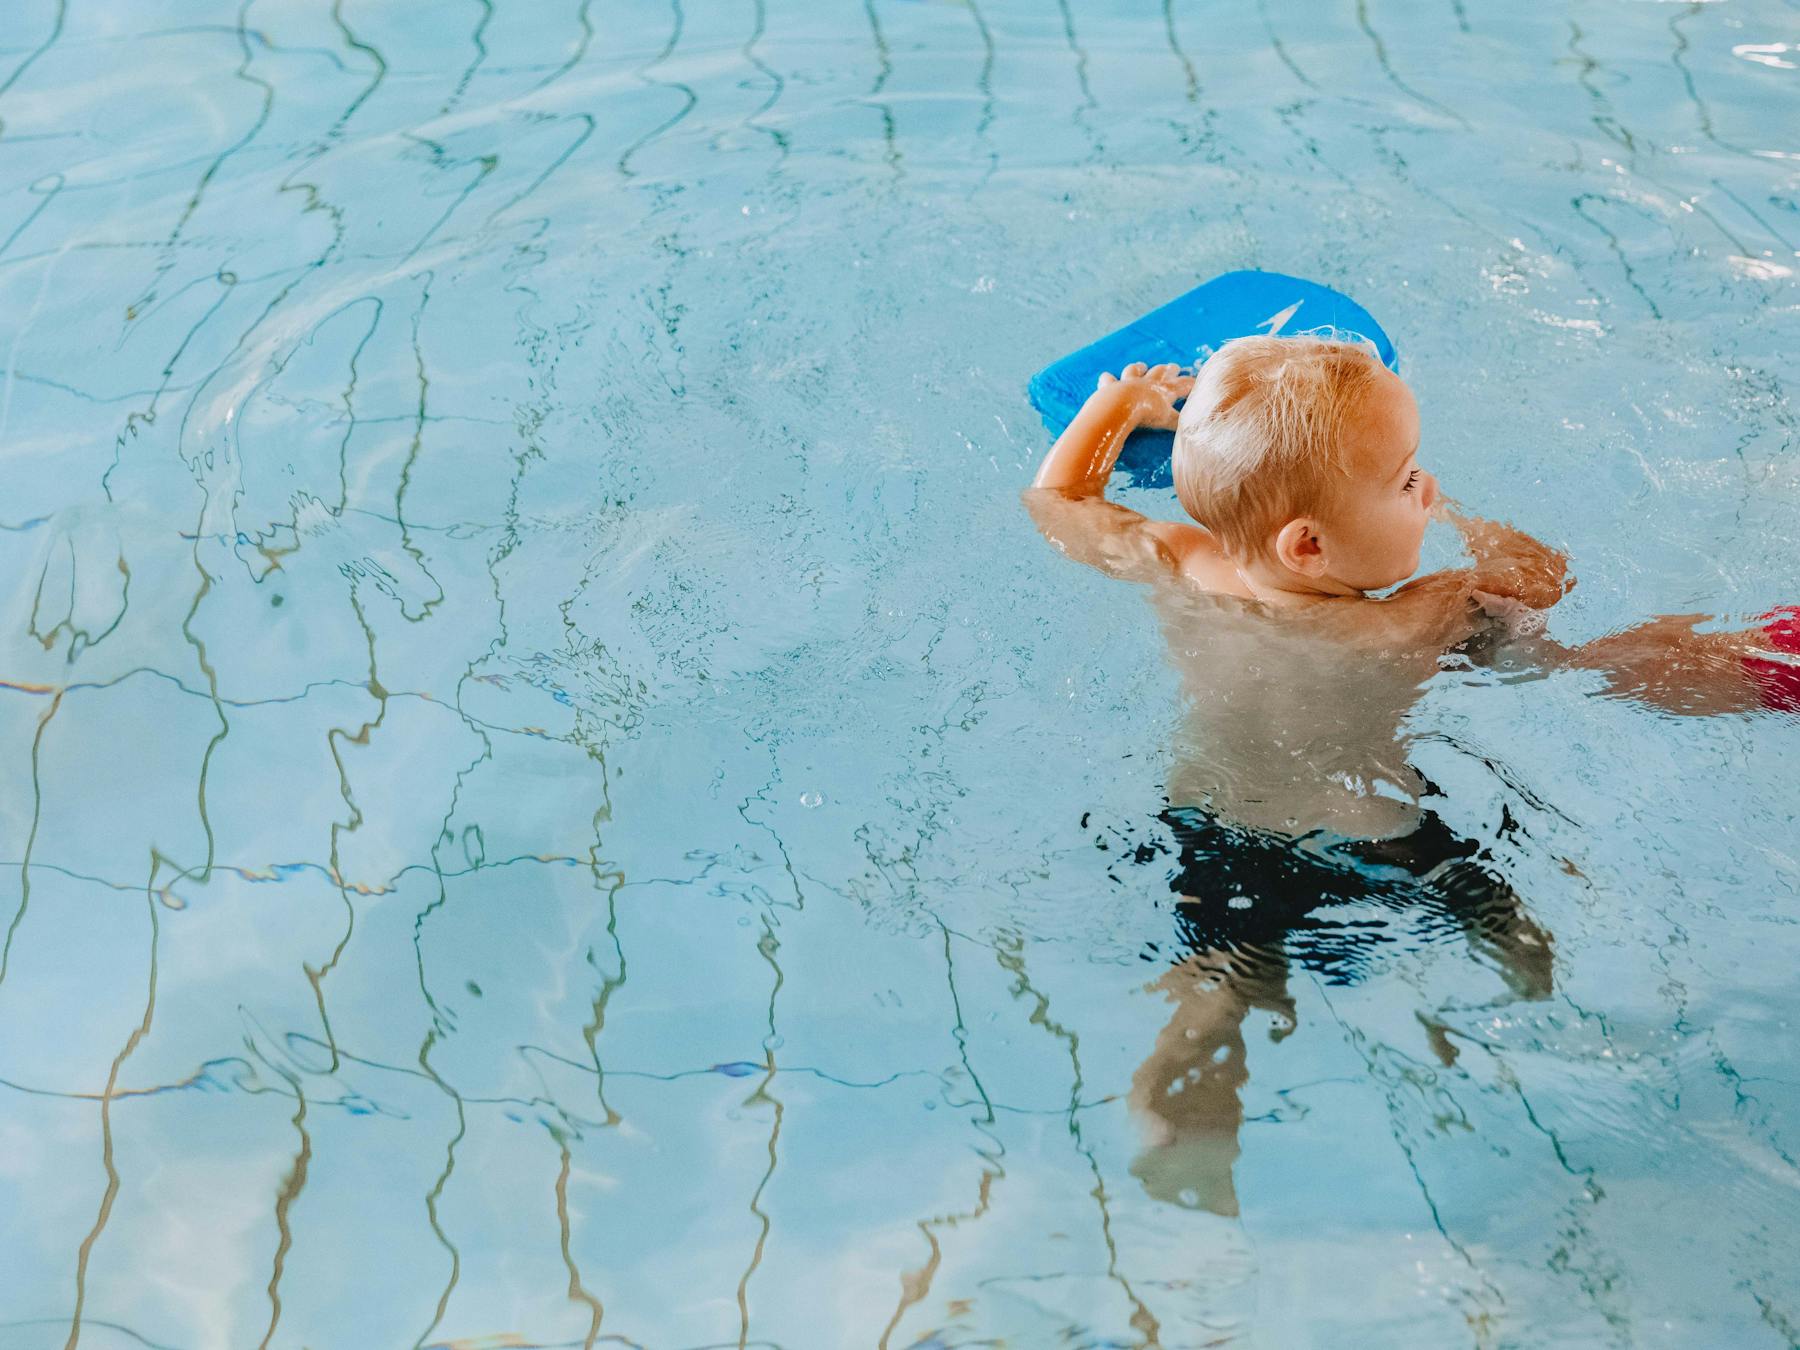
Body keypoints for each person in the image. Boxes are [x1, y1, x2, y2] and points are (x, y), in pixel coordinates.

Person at [1020, 335, 1795, 1216]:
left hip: (1214, 827)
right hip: (1378, 832)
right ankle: (1539, 998)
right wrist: (1469, 517)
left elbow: (1056, 502)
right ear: (1310, 545)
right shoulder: (1420, 616)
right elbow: (1542, 584)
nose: (1423, 490)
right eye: (1407, 483)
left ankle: (1176, 1122)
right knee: (1499, 912)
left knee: (1219, 989)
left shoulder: (1178, 563)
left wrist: (1117, 407)